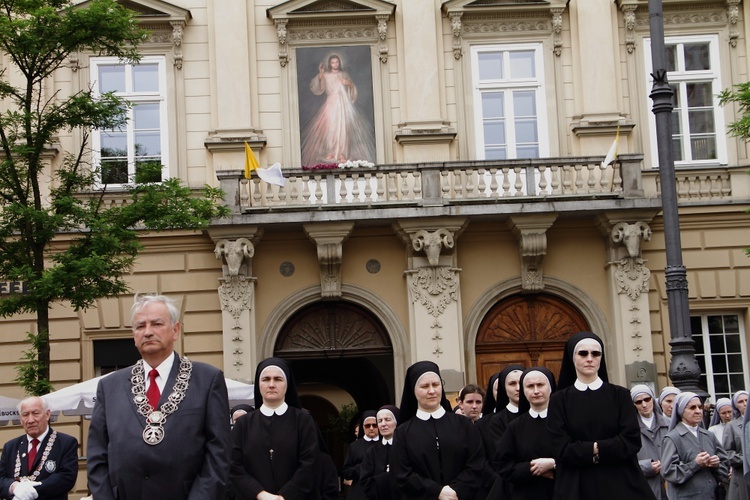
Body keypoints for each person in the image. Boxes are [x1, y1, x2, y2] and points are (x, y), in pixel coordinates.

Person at [87, 294, 231, 500]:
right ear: (133, 335)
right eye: (140, 326)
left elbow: (218, 453)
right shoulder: (110, 386)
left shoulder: (207, 380)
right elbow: (96, 455)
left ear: (175, 330)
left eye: (156, 324)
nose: (147, 332)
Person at [546, 331, 656, 500]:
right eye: (583, 353)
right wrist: (599, 449)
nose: (589, 358)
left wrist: (588, 450)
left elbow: (631, 441)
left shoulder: (621, 395)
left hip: (621, 483)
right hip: (576, 485)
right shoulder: (558, 400)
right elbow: (560, 448)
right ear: (572, 357)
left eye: (595, 354)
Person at [392, 360, 484, 499]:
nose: (432, 391)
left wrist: (456, 490)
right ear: (413, 391)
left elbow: (477, 463)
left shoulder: (464, 425)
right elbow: (402, 474)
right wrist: (436, 492)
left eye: (436, 384)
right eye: (424, 386)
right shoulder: (403, 432)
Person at [230, 357, 320, 499]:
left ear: (287, 384)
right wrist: (261, 494)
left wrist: (285, 496)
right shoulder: (243, 424)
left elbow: (310, 462)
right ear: (259, 384)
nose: (271, 384)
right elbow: (234, 465)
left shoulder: (303, 420)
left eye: (278, 379)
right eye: (266, 379)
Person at [301, 53, 375, 166]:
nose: (335, 64)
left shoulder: (344, 74)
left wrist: (348, 84)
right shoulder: (325, 74)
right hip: (331, 103)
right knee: (330, 128)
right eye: (332, 62)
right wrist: (320, 75)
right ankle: (331, 151)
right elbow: (317, 87)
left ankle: (342, 154)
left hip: (343, 105)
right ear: (329, 64)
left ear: (339, 63)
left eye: (336, 62)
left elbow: (352, 88)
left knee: (343, 129)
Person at [496, 367, 557, 500]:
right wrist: (532, 469)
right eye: (530, 386)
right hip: (527, 494)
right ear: (524, 391)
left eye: (540, 385)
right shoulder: (515, 427)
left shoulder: (564, 422)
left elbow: (576, 454)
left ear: (550, 387)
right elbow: (503, 466)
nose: (536, 391)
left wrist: (553, 464)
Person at [0, 397, 78, 500]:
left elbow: (66, 478)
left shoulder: (65, 443)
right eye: (25, 415)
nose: (30, 420)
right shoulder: (10, 447)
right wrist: (14, 487)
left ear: (47, 415)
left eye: (35, 413)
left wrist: (29, 491)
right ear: (20, 419)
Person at [661, 391, 729, 499]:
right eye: (692, 407)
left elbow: (725, 466)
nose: (698, 411)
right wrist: (695, 464)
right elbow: (668, 472)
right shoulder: (672, 438)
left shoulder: (709, 435)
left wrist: (717, 465)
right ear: (681, 411)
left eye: (700, 407)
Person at [631, 384, 670, 500]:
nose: (644, 405)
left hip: (671, 485)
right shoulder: (629, 429)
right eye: (638, 402)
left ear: (653, 399)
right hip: (645, 487)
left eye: (647, 399)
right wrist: (647, 467)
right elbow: (625, 463)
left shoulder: (669, 424)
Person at [360, 405, 400, 499]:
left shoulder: (406, 448)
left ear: (397, 422)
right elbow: (365, 482)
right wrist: (387, 476)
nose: (383, 424)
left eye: (387, 419)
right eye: (380, 421)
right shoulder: (372, 452)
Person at [343, 410, 380, 499]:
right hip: (360, 492)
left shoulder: (384, 443)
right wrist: (362, 468)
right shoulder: (354, 446)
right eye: (367, 425)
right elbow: (346, 472)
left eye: (374, 425)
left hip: (380, 490)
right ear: (363, 427)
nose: (371, 428)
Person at [723, 391, 749, 500]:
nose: (744, 403)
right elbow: (726, 453)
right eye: (740, 401)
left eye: (747, 400)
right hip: (742, 475)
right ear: (736, 406)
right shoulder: (731, 426)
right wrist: (746, 459)